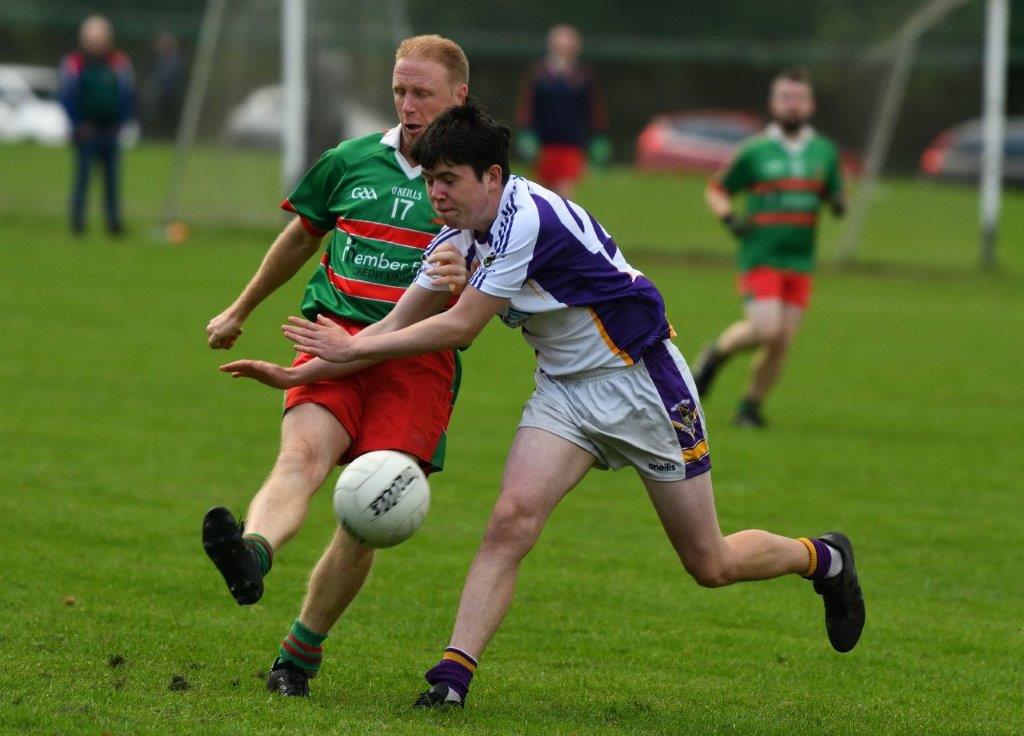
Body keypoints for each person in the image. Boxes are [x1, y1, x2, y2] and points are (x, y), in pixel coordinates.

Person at [268, 101, 865, 710]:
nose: (435, 194)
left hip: (641, 382)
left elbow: (460, 328)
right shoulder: (458, 233)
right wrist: (306, 369)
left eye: (448, 180)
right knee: (509, 523)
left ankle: (822, 559)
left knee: (709, 562)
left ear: (492, 177)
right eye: (428, 180)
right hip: (564, 391)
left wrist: (349, 352)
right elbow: (395, 322)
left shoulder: (525, 217)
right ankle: (452, 680)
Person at [201, 34, 472, 699]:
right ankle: (252, 554)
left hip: (416, 362)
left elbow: (498, 280)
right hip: (331, 338)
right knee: (301, 462)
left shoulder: (480, 184)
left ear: (458, 97)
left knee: (367, 516)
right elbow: (301, 236)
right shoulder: (350, 161)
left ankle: (299, 654)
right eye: (399, 92)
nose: (408, 106)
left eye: (422, 94)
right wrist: (240, 308)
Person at [694, 68, 846, 428]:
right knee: (765, 329)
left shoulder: (824, 152)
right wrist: (729, 218)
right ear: (773, 103)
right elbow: (716, 189)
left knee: (781, 342)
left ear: (811, 105)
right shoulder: (755, 151)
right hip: (760, 256)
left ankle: (750, 408)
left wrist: (838, 201)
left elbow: (832, 191)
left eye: (800, 98)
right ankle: (715, 355)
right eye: (786, 98)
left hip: (800, 260)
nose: (793, 106)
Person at [58, 15, 136, 236]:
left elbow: (128, 94)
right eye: (93, 39)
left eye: (101, 39)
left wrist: (121, 122)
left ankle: (113, 224)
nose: (97, 44)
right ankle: (78, 223)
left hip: (111, 132)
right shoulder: (74, 62)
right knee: (82, 179)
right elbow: (66, 95)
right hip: (86, 133)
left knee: (112, 182)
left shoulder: (118, 62)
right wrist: (78, 124)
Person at [514, 24, 609, 199]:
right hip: (543, 147)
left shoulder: (583, 76)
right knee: (541, 197)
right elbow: (527, 106)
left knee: (564, 197)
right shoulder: (538, 74)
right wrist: (527, 132)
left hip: (571, 146)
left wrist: (598, 136)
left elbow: (594, 109)